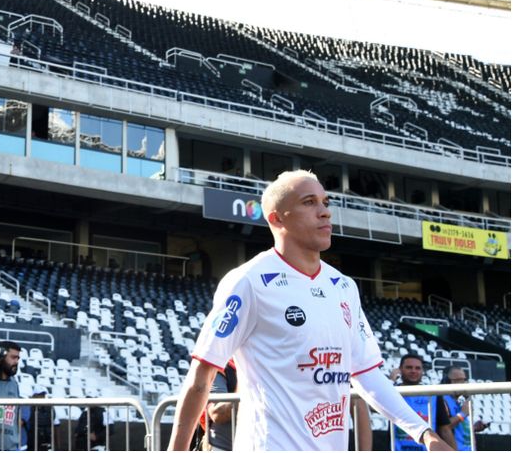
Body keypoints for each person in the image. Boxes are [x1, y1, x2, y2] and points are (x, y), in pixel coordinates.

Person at [167, 170, 450, 451]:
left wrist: (425, 434)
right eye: (309, 202)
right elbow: (200, 377)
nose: (324, 212)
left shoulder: (344, 287)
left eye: (325, 202)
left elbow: (367, 375)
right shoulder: (248, 281)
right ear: (277, 218)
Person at [436, 366, 486, 450]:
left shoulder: (458, 402)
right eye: (458, 380)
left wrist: (473, 428)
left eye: (463, 380)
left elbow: (457, 427)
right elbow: (443, 428)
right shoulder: (442, 400)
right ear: (447, 381)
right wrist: (462, 414)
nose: (463, 383)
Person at [25, 386, 59, 451]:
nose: (41, 397)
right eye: (39, 395)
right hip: (32, 440)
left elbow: (56, 425)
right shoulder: (28, 407)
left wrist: (57, 446)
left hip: (47, 439)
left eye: (43, 395)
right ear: (34, 396)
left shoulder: (50, 407)